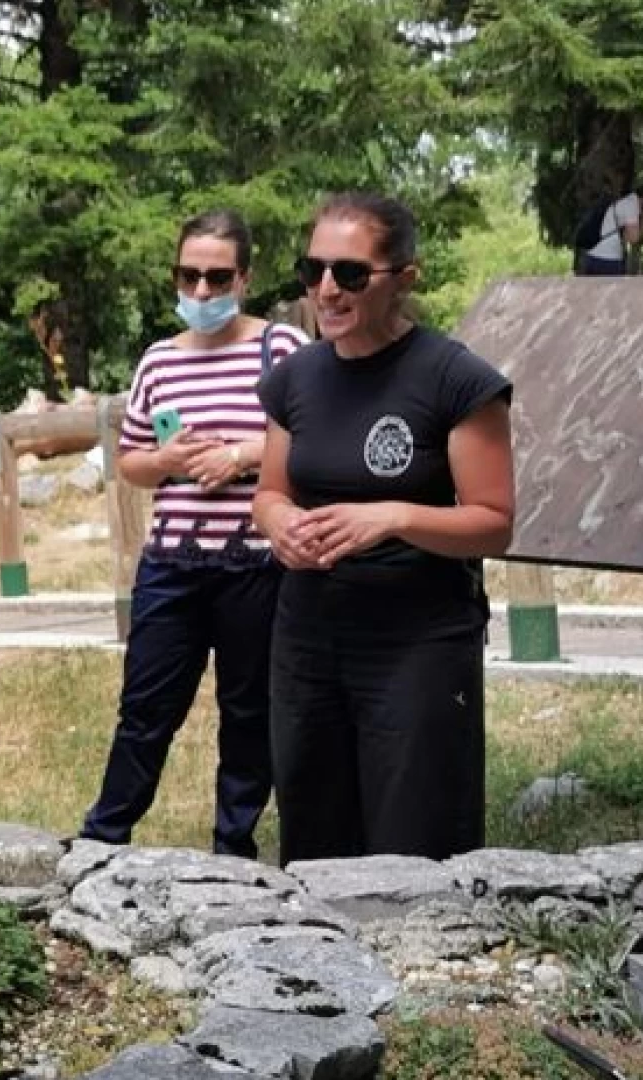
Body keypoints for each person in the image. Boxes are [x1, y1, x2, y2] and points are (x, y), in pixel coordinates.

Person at [252, 193, 515, 865]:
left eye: (350, 273)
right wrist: (280, 524)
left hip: (416, 642)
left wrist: (392, 517)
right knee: (314, 837)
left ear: (404, 279)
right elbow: (271, 492)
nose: (327, 290)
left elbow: (492, 523)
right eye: (313, 272)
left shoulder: (454, 377)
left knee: (415, 842)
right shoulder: (294, 378)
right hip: (307, 636)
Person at [78, 209, 308, 861]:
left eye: (216, 278)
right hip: (171, 565)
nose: (202, 293)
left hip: (256, 566)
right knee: (146, 706)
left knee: (249, 713)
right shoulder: (157, 361)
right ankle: (102, 838)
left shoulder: (282, 350)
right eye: (189, 277)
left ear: (245, 278)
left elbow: (313, 438)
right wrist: (171, 461)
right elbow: (131, 460)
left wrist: (239, 456)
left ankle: (233, 846)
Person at [572, 182, 643, 276]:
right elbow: (633, 239)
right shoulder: (631, 203)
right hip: (608, 261)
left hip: (591, 256)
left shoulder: (619, 201)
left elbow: (625, 237)